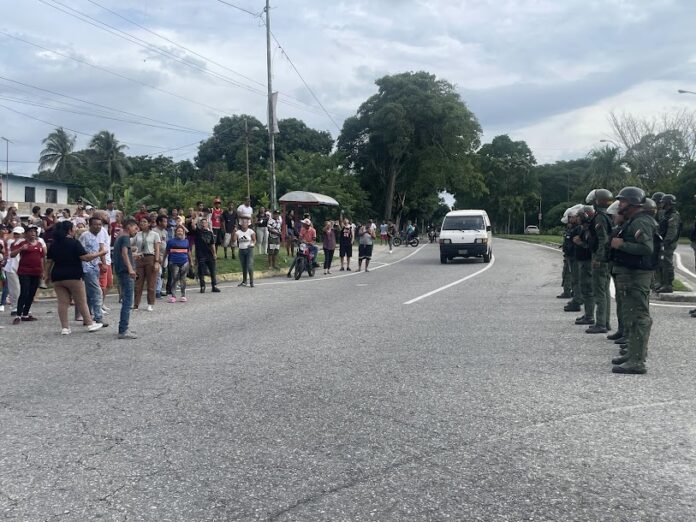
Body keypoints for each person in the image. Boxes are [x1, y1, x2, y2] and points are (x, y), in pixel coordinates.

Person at [609, 186, 657, 374]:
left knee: (639, 317)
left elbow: (647, 248)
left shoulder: (641, 222)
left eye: (623, 201)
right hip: (631, 274)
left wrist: (622, 245)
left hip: (638, 275)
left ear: (633, 203)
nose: (620, 204)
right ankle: (633, 354)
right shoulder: (635, 220)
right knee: (631, 315)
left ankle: (637, 361)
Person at [45, 221, 105, 334]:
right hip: (73, 275)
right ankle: (90, 323)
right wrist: (101, 253)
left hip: (57, 275)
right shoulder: (74, 243)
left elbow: (49, 262)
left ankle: (65, 328)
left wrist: (46, 275)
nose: (75, 230)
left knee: (63, 302)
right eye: (73, 228)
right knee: (81, 301)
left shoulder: (54, 244)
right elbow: (86, 257)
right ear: (69, 230)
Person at [585, 189, 613, 334]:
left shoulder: (600, 218)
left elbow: (603, 239)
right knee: (605, 290)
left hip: (601, 259)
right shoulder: (607, 215)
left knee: (599, 291)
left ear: (598, 201)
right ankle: (605, 322)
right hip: (606, 259)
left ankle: (601, 323)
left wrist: (598, 258)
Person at [10, 225, 45, 324]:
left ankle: (25, 314)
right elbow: (12, 254)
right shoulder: (22, 243)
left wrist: (43, 271)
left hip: (36, 271)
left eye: (34, 231)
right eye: (30, 231)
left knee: (32, 293)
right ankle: (18, 315)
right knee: (24, 292)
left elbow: (42, 258)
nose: (33, 233)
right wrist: (21, 249)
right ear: (26, 234)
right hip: (24, 271)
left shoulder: (39, 244)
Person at [79, 216, 108, 328]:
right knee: (97, 292)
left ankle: (88, 317)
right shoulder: (85, 236)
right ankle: (98, 317)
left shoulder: (97, 237)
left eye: (100, 225)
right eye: (95, 224)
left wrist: (102, 262)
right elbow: (81, 253)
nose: (98, 227)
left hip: (94, 266)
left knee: (89, 294)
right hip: (87, 267)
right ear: (90, 225)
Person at [113, 219, 139, 339]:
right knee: (128, 300)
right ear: (129, 226)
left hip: (120, 270)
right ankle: (123, 329)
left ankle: (123, 328)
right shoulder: (125, 237)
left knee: (127, 299)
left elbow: (124, 253)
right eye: (135, 227)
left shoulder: (119, 236)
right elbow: (124, 253)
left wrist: (133, 255)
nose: (136, 230)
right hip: (125, 272)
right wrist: (130, 269)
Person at [571, 206, 595, 326]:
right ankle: (587, 314)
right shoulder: (583, 229)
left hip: (587, 261)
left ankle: (590, 315)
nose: (577, 218)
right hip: (582, 261)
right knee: (584, 288)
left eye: (579, 216)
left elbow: (591, 247)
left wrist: (580, 243)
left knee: (588, 289)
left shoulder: (589, 229)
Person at [133, 217, 161, 311]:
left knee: (151, 282)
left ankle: (150, 303)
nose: (142, 223)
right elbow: (132, 244)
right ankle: (136, 304)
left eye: (145, 222)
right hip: (140, 257)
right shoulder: (138, 234)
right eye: (141, 221)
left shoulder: (155, 234)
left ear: (149, 223)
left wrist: (157, 262)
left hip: (150, 258)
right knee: (138, 282)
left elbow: (157, 249)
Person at [656, 194, 680, 293]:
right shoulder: (666, 214)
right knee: (660, 263)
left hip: (668, 243)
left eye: (663, 202)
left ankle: (668, 284)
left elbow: (672, 232)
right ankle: (661, 283)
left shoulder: (673, 215)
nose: (661, 204)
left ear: (668, 203)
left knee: (667, 263)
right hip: (663, 241)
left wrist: (665, 243)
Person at [192, 217, 220, 293]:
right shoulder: (198, 231)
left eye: (205, 222)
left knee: (212, 271)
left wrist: (214, 253)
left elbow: (212, 244)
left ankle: (214, 286)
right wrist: (197, 216)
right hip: (200, 254)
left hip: (209, 254)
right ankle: (202, 286)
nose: (203, 224)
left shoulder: (210, 233)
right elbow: (193, 225)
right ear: (200, 224)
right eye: (202, 223)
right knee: (201, 271)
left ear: (207, 224)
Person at [165, 225, 191, 302]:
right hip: (173, 262)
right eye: (178, 231)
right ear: (175, 232)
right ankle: (173, 296)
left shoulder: (186, 241)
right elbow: (166, 252)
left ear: (183, 233)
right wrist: (163, 261)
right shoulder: (171, 241)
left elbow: (188, 251)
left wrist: (191, 261)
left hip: (184, 262)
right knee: (174, 279)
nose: (180, 232)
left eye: (181, 231)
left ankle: (183, 295)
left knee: (183, 279)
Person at [235, 219, 256, 287]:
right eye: (243, 223)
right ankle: (244, 281)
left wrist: (252, 244)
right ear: (241, 224)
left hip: (249, 249)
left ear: (248, 224)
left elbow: (254, 240)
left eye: (245, 223)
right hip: (241, 250)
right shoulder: (238, 232)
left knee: (249, 265)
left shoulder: (250, 231)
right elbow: (233, 240)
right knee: (244, 266)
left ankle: (251, 282)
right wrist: (234, 232)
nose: (244, 224)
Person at [154, 215, 169, 299]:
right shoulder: (154, 231)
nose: (166, 223)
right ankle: (156, 291)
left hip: (164, 255)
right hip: (158, 255)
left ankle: (159, 289)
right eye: (164, 221)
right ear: (159, 222)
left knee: (163, 273)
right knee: (158, 273)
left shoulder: (165, 232)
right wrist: (157, 255)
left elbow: (165, 243)